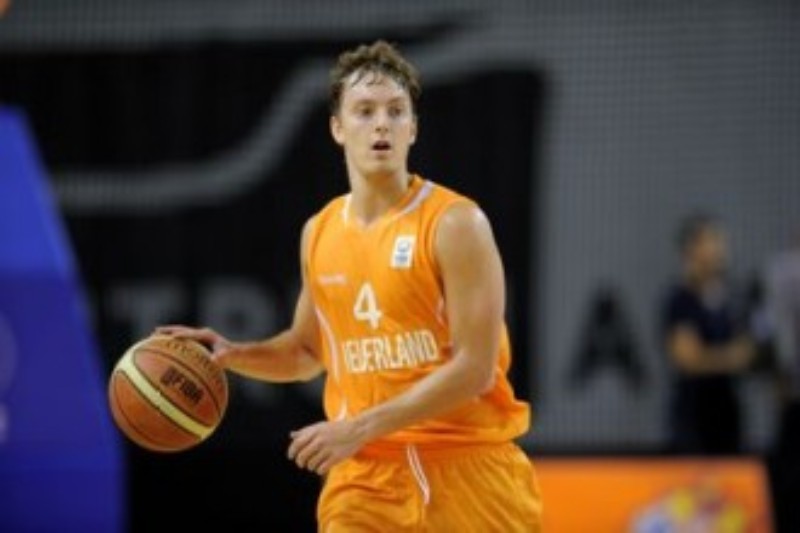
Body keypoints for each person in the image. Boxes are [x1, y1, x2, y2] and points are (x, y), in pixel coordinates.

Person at [157, 40, 541, 531]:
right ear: (338, 128)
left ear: (413, 128)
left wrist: (357, 427)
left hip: (468, 471)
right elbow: (306, 352)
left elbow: (476, 370)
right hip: (364, 480)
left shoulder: (455, 223)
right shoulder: (319, 232)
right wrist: (232, 355)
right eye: (365, 111)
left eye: (396, 111)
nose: (382, 124)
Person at [660, 214, 754, 455]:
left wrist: (713, 357)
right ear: (691, 249)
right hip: (693, 420)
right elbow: (688, 359)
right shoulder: (680, 300)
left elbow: (749, 352)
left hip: (728, 417)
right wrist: (730, 358)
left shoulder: (734, 297)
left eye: (720, 241)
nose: (719, 249)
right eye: (711, 241)